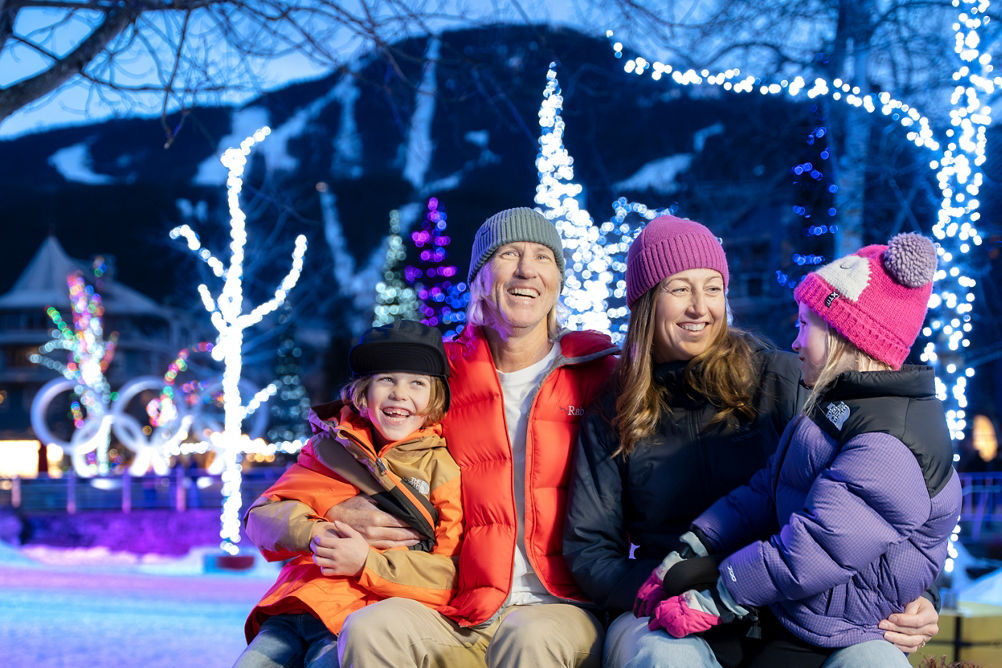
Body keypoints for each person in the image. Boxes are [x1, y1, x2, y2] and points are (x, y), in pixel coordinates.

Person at [563, 215, 942, 668]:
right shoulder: (615, 406)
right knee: (664, 657)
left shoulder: (780, 377)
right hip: (665, 594)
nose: (699, 307)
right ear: (646, 302)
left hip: (793, 604)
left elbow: (879, 499)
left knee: (875, 661)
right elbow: (590, 549)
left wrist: (923, 596)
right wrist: (668, 588)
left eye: (713, 288)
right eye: (679, 289)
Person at [329, 207, 618, 667]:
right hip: (462, 605)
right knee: (370, 629)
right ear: (479, 278)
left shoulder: (600, 374)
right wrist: (336, 509)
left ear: (558, 281)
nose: (527, 270)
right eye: (509, 254)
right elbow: (347, 443)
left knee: (528, 637)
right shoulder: (439, 375)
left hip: (562, 605)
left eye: (543, 257)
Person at [235, 320, 462, 668]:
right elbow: (261, 518)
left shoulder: (440, 469)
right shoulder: (331, 449)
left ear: (435, 398)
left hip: (357, 621)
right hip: (297, 606)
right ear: (362, 393)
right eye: (386, 379)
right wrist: (318, 530)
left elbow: (446, 576)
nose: (399, 393)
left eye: (417, 382)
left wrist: (367, 562)